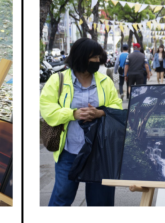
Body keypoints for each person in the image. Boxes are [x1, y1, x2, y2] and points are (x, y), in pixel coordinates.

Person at [39, 38, 122, 206]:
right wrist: (72, 114)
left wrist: (100, 112)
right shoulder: (58, 80)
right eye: (94, 57)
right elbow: (46, 108)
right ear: (81, 57)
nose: (97, 61)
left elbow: (117, 106)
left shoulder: (105, 81)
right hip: (69, 152)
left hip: (100, 153)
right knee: (61, 199)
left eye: (99, 57)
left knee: (101, 203)